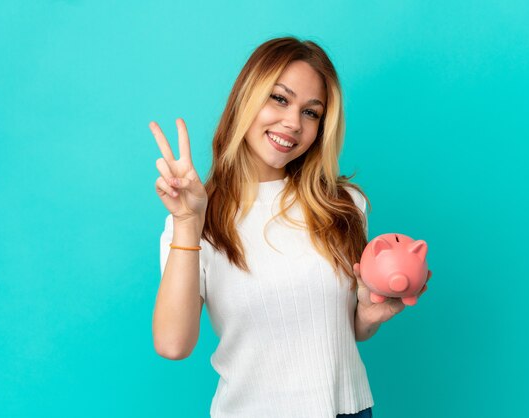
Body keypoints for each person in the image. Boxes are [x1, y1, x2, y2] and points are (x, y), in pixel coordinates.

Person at [151, 37, 431, 418]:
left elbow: (341, 332)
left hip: (348, 410)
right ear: (246, 98)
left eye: (311, 112)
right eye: (279, 99)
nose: (293, 123)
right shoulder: (195, 218)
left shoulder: (344, 205)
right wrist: (187, 223)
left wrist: (368, 314)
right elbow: (173, 344)